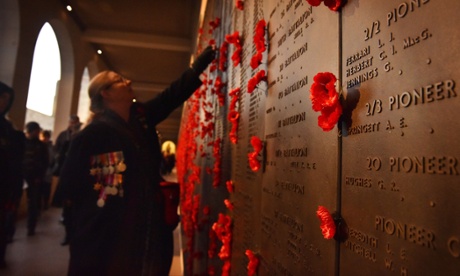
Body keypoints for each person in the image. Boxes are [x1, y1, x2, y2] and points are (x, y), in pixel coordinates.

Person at [59, 45, 215, 275]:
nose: (129, 81)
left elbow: (170, 97)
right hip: (108, 237)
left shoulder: (140, 118)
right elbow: (80, 193)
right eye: (120, 80)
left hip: (146, 226)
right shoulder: (93, 135)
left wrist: (196, 68)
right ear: (106, 93)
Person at [0, 82, 25, 268]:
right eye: (2, 97)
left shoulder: (9, 130)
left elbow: (14, 164)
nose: (3, 102)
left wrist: (14, 191)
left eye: (7, 99)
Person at [23, 121, 49, 236]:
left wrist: (39, 176)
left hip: (35, 178)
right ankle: (8, 231)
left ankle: (31, 227)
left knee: (33, 203)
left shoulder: (41, 146)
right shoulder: (21, 143)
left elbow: (45, 163)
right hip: (22, 176)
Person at [39, 130, 53, 210]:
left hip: (47, 172)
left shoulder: (50, 148)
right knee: (41, 191)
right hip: (43, 173)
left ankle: (45, 204)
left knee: (46, 190)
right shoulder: (42, 146)